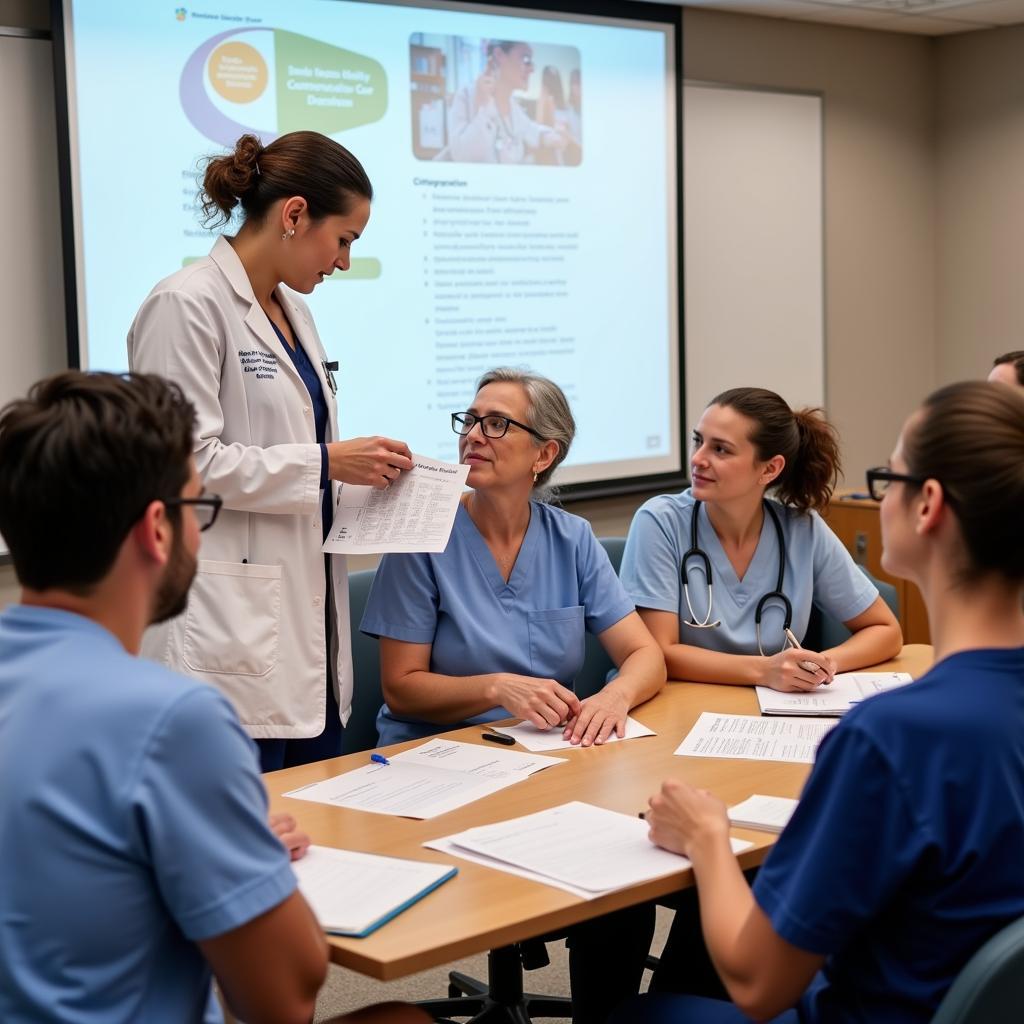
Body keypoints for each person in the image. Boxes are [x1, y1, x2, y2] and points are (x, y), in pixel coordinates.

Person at [0, 371, 424, 1024]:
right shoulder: (171, 720)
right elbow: (284, 998)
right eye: (200, 510)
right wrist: (246, 861)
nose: (200, 534)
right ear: (157, 530)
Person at [618, 379, 1024, 1024]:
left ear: (929, 507)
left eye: (889, 475)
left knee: (635, 1016)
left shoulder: (891, 738)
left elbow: (758, 982)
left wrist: (709, 838)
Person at [129, 131, 413, 772]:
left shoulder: (294, 312)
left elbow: (289, 455)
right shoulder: (186, 304)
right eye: (345, 240)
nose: (343, 262)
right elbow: (183, 465)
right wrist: (326, 463)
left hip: (301, 633)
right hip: (227, 636)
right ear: (293, 215)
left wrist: (374, 477)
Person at [361, 367, 666, 748]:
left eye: (496, 424)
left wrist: (613, 697)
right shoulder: (421, 537)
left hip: (543, 750)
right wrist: (496, 688)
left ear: (544, 454)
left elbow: (645, 654)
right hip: (434, 752)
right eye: (469, 421)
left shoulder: (572, 539)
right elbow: (402, 689)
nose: (473, 435)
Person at [621, 386, 902, 693]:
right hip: (679, 707)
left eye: (721, 449)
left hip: (770, 715)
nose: (698, 459)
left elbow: (885, 630)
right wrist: (765, 670)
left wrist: (817, 665)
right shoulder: (660, 522)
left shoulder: (801, 529)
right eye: (697, 441)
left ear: (770, 468)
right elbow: (657, 652)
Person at [447, 41, 570, 164]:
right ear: (499, 55)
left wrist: (550, 135)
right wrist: (485, 108)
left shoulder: (513, 107)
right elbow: (463, 157)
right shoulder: (466, 96)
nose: (532, 69)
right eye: (526, 59)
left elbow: (531, 130)